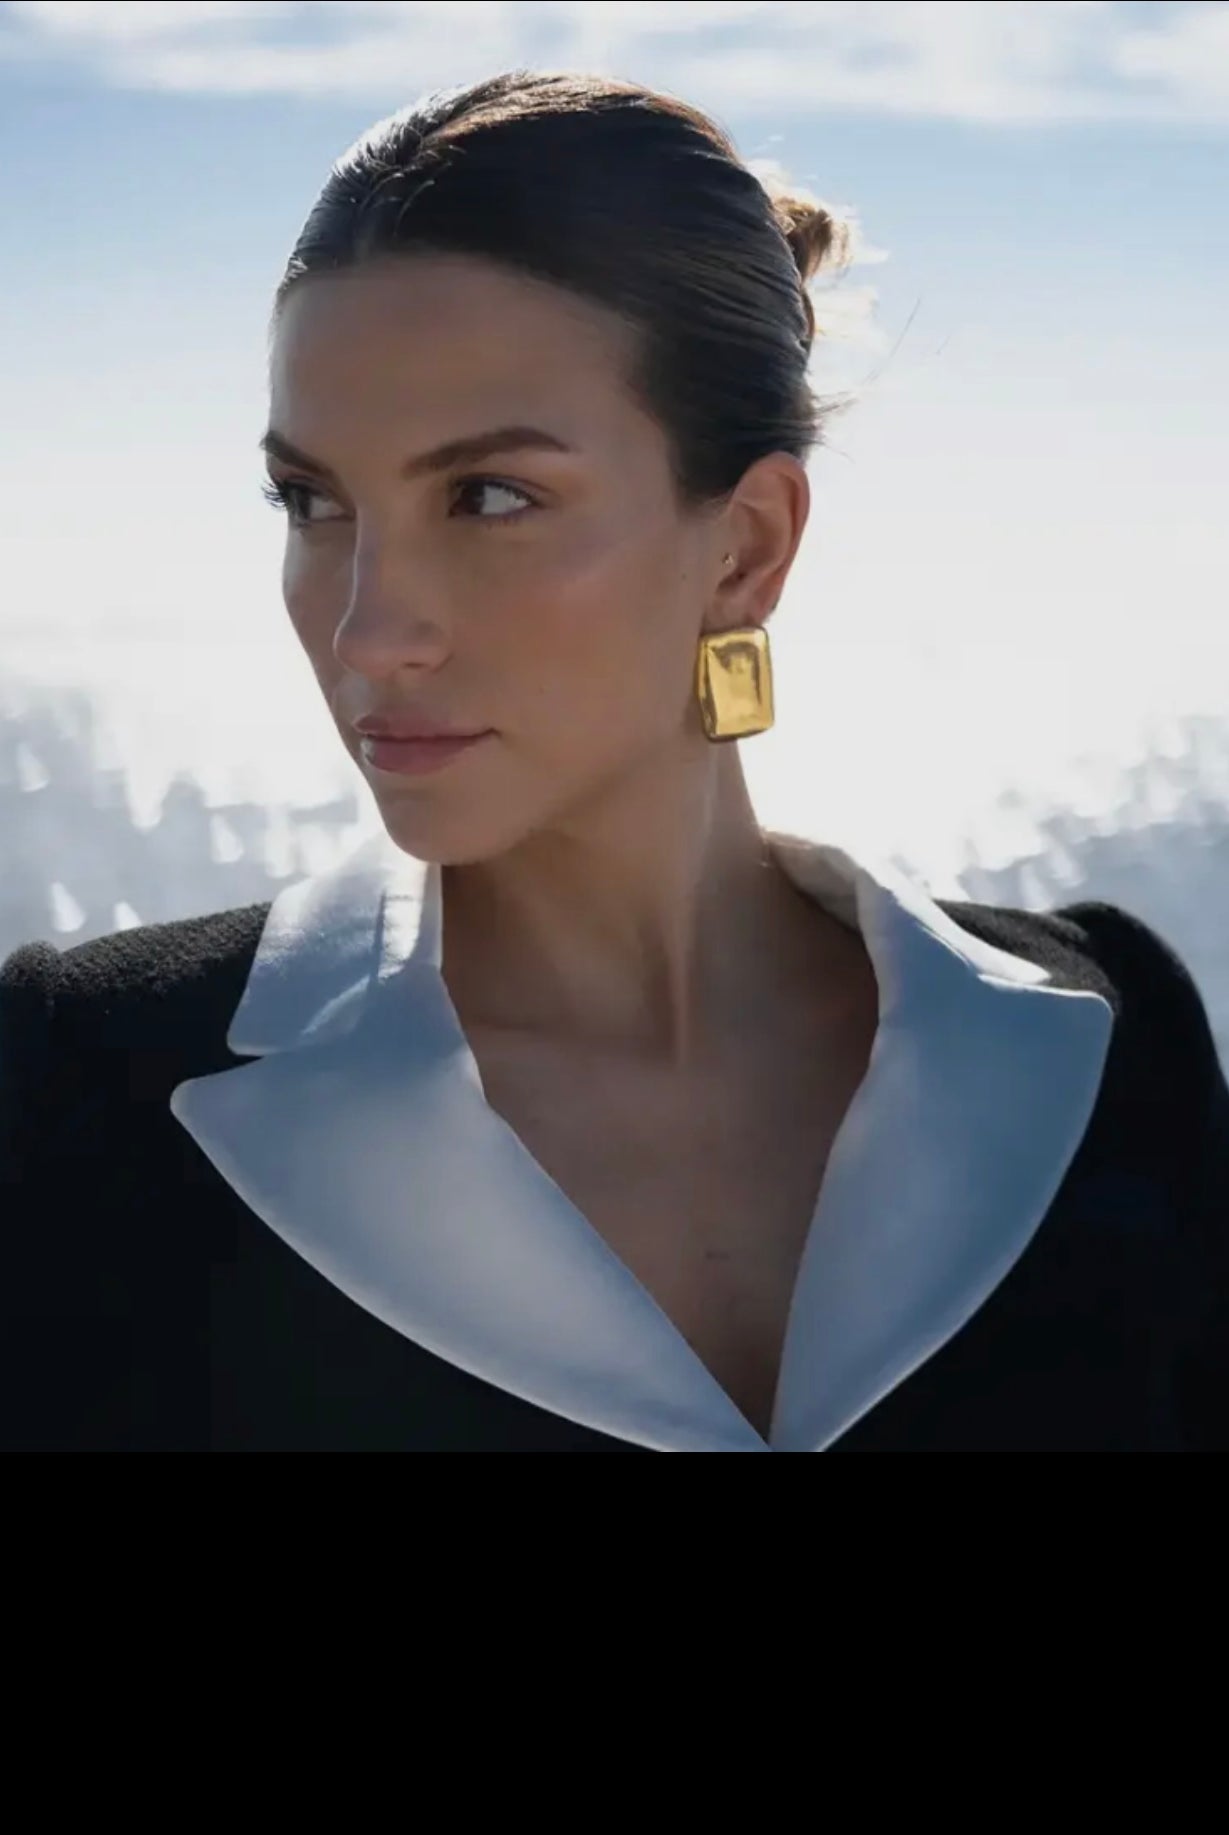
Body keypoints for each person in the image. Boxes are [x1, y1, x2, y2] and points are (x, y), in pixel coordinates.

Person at [1, 71, 1226, 1453]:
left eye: (488, 497)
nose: (368, 630)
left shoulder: (1112, 1042)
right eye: (312, 501)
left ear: (746, 549)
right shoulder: (81, 1085)